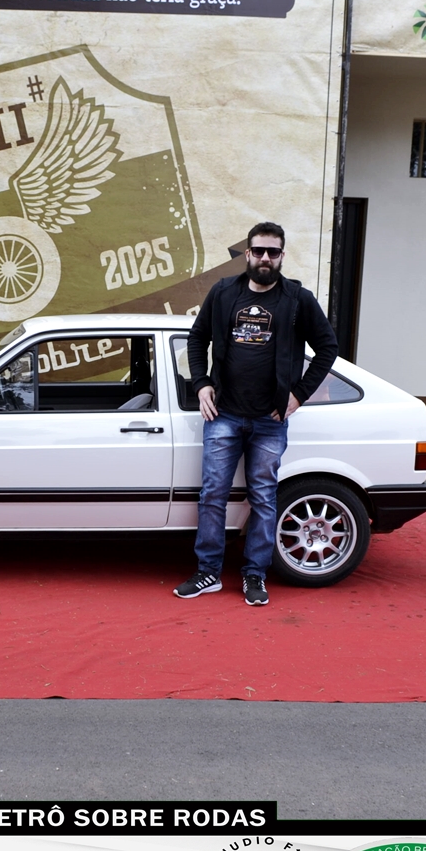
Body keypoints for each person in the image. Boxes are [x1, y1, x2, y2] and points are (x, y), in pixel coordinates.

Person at [174, 222, 340, 606]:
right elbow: (197, 338)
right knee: (212, 495)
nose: (266, 258)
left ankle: (254, 575)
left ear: (281, 256)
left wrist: (298, 395)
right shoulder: (223, 293)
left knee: (263, 498)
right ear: (247, 254)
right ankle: (208, 572)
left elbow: (327, 347)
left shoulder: (297, 299)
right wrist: (201, 383)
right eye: (259, 251)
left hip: (270, 419)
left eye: (273, 252)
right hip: (224, 414)